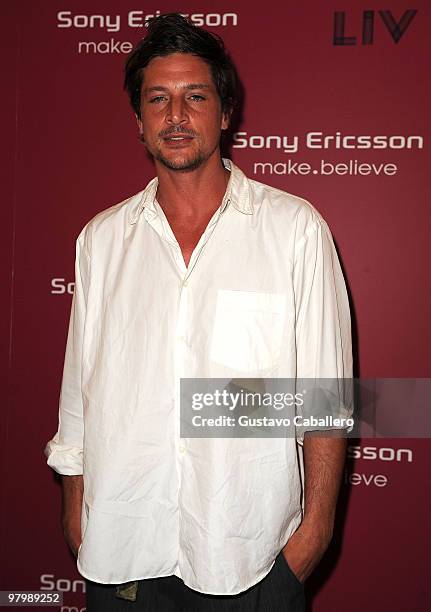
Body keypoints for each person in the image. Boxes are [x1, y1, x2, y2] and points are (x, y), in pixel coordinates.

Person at [45, 13, 353, 612]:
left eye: (195, 97)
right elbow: (79, 391)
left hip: (249, 556)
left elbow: (325, 400)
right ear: (139, 120)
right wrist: (76, 512)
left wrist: (311, 538)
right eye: (158, 99)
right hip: (120, 548)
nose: (176, 116)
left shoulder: (294, 230)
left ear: (225, 112)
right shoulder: (101, 240)